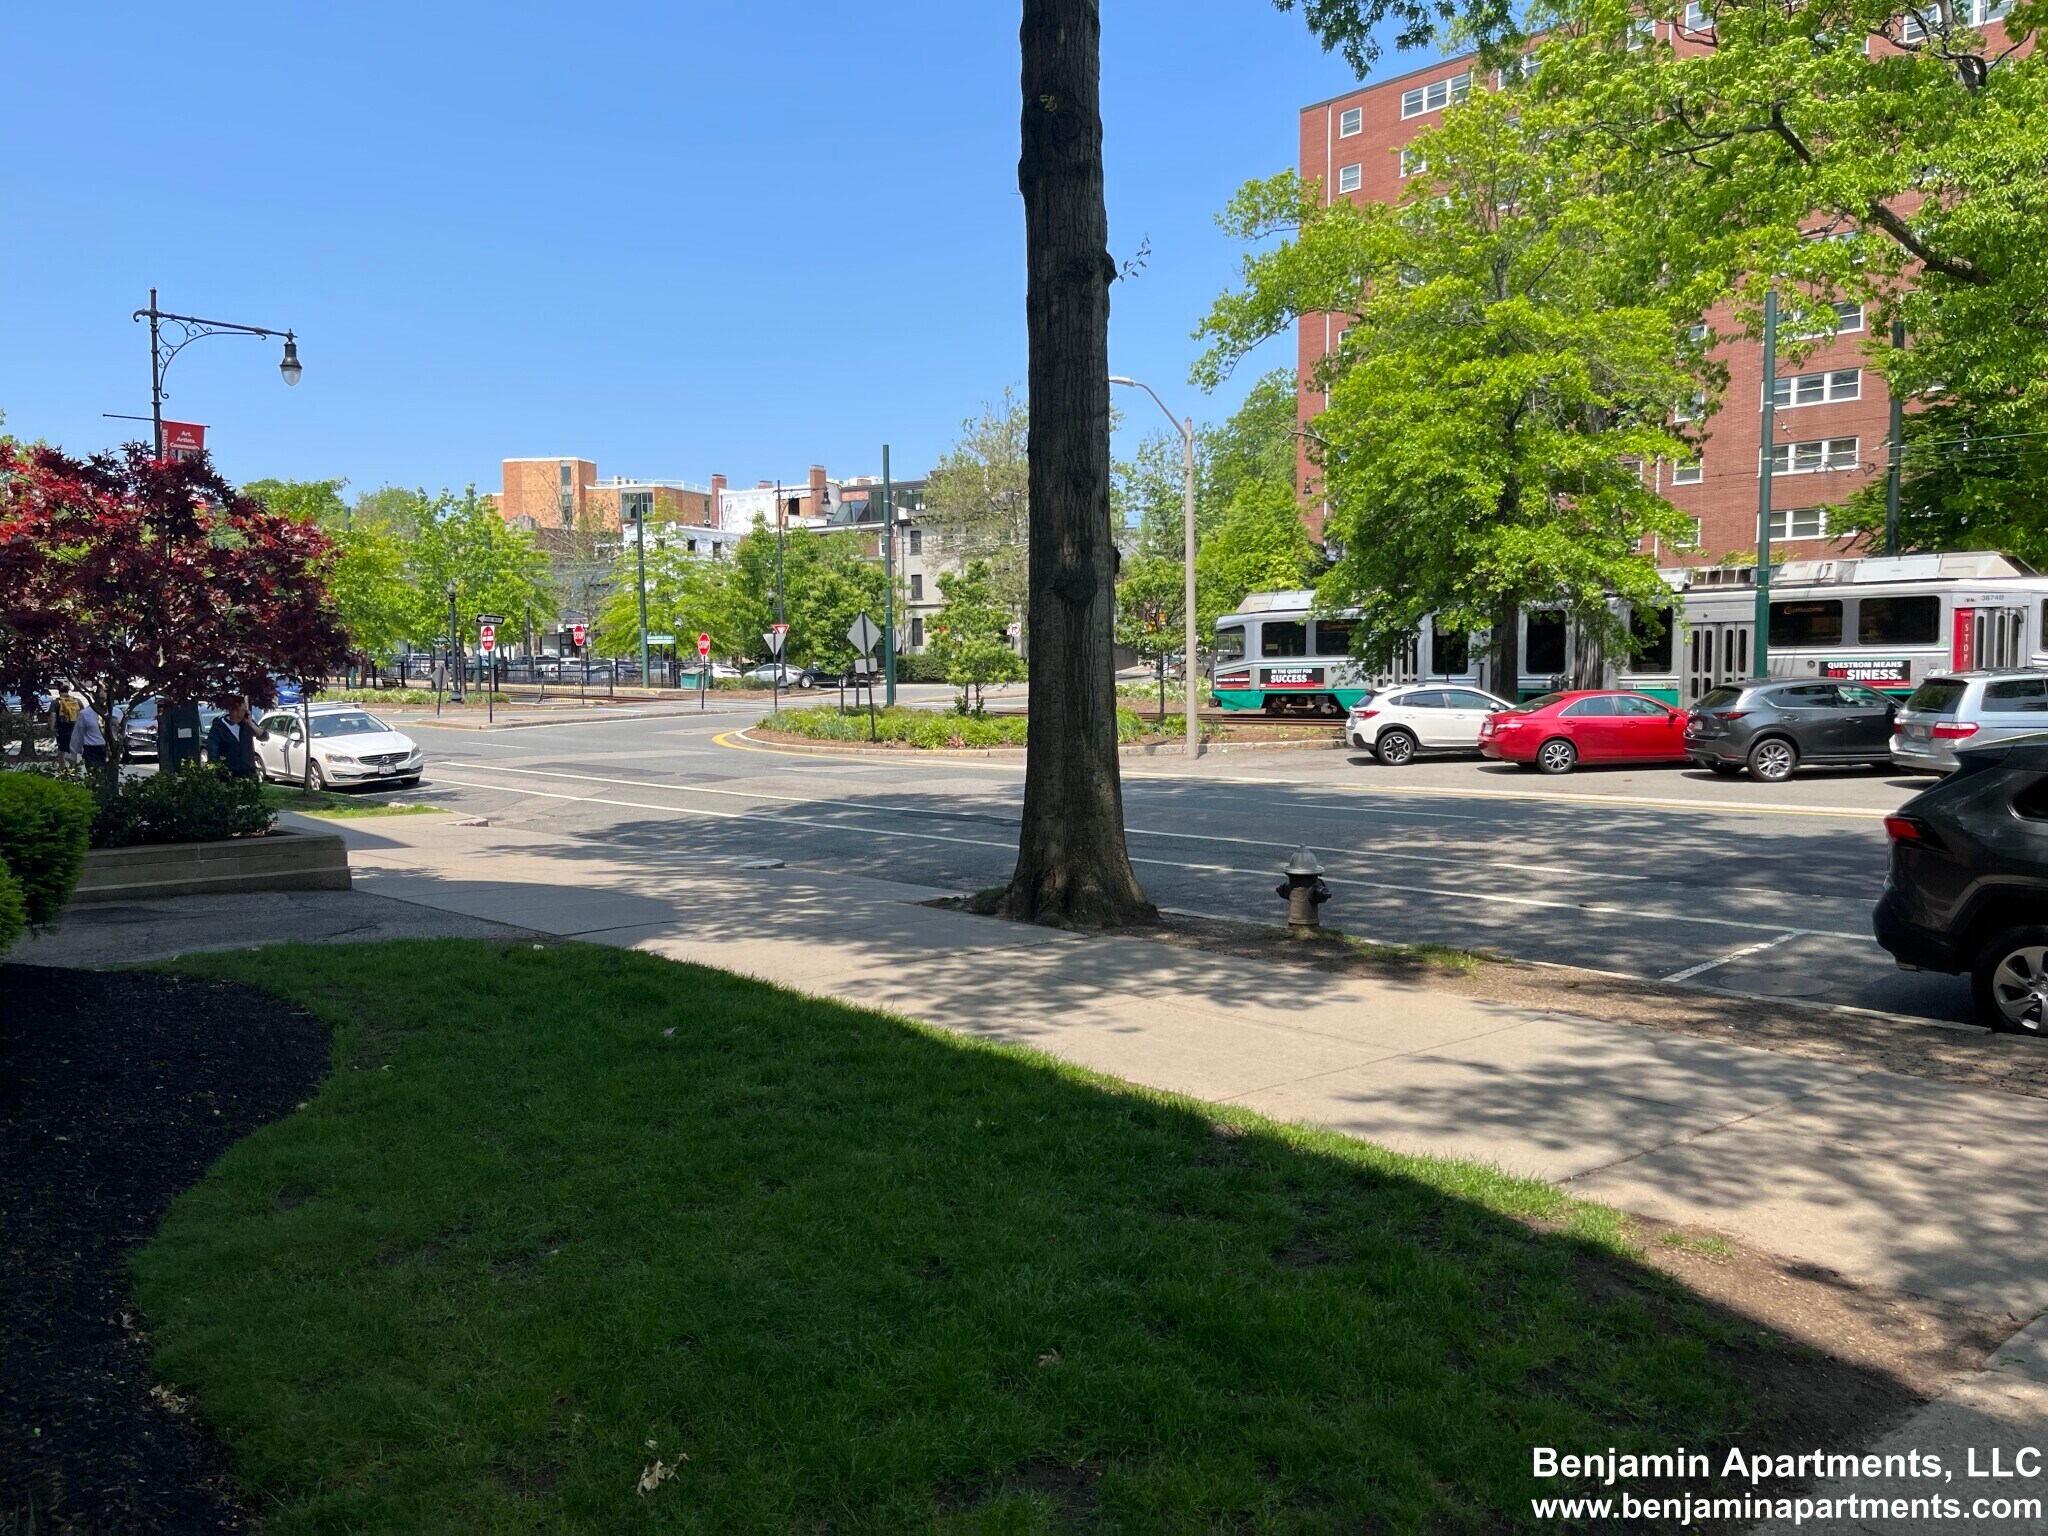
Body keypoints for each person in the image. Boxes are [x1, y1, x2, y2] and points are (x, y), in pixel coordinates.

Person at [206, 698, 260, 779]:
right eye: (242, 709)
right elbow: (213, 753)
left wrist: (251, 724)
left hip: (248, 773)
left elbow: (264, 736)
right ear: (233, 710)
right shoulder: (218, 728)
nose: (245, 712)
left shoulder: (247, 724)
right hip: (229, 775)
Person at [72, 694, 105, 768]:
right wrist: (75, 751)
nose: (104, 701)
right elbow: (78, 733)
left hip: (109, 748)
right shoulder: (85, 713)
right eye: (101, 698)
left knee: (108, 775)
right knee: (94, 773)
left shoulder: (117, 712)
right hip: (91, 748)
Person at [53, 687, 80, 765]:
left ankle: (61, 769)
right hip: (74, 728)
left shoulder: (56, 702)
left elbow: (53, 716)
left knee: (61, 749)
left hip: (61, 728)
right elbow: (82, 714)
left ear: (59, 692)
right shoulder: (76, 701)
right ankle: (74, 769)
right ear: (68, 691)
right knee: (73, 749)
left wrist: (51, 728)